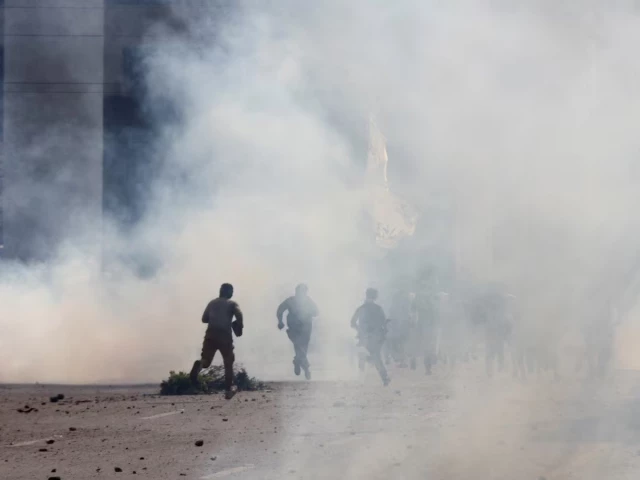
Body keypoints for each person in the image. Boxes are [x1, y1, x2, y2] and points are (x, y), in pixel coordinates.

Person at [189, 283, 244, 399]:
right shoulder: (232, 303)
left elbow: (204, 319)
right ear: (228, 292)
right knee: (228, 363)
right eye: (231, 291)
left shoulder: (212, 303)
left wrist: (215, 317)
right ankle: (228, 389)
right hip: (224, 335)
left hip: (211, 334)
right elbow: (239, 314)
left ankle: (199, 365)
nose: (232, 293)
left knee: (206, 361)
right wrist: (240, 326)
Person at [277, 284, 319, 380]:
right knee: (299, 346)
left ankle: (298, 361)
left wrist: (308, 312)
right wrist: (280, 321)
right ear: (296, 292)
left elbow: (316, 312)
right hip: (294, 328)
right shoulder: (291, 300)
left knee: (301, 347)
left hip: (306, 328)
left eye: (303, 292)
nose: (301, 294)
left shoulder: (308, 301)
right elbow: (280, 309)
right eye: (299, 292)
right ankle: (306, 367)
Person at [351, 288, 390, 386]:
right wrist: (383, 332)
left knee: (363, 356)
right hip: (375, 337)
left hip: (364, 337)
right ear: (375, 296)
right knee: (376, 357)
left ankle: (361, 379)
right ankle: (384, 378)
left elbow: (352, 323)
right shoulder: (378, 309)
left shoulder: (361, 308)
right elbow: (384, 323)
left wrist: (359, 330)